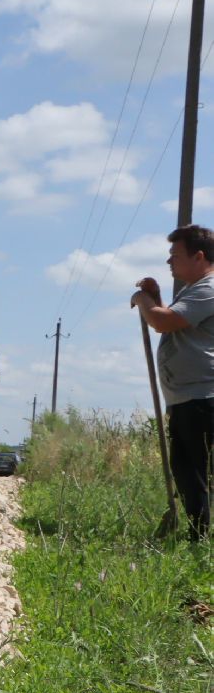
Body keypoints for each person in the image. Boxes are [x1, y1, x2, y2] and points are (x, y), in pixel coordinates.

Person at [133, 224, 214, 540]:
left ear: (198, 256)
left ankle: (200, 541)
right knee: (187, 470)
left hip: (201, 398)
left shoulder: (208, 288)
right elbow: (171, 317)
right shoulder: (194, 288)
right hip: (186, 399)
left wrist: (143, 300)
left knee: (195, 472)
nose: (169, 263)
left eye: (174, 255)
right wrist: (155, 297)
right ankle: (198, 538)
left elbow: (164, 322)